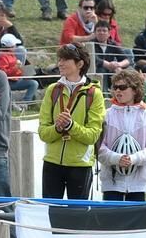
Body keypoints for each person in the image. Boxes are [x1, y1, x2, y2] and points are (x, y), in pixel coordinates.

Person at [38, 42, 105, 199]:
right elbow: (43, 133)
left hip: (80, 165)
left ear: (80, 64)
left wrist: (71, 126)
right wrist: (58, 128)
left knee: (77, 217)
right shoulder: (52, 90)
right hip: (52, 163)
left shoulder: (94, 94)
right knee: (52, 214)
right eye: (59, 59)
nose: (60, 63)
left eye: (65, 59)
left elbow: (93, 136)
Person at [98, 69, 146, 201]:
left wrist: (134, 158)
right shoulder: (106, 115)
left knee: (136, 221)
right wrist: (116, 158)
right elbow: (97, 146)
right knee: (112, 219)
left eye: (122, 87)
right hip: (111, 182)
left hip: (138, 184)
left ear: (135, 90)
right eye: (115, 87)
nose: (118, 91)